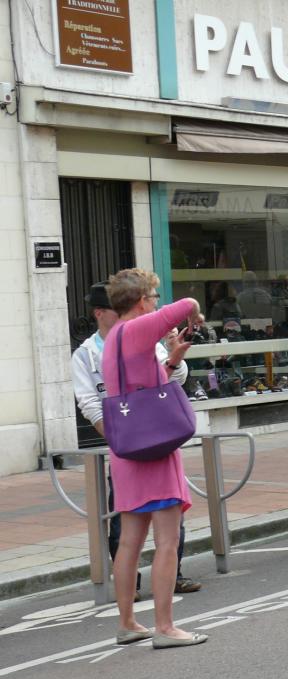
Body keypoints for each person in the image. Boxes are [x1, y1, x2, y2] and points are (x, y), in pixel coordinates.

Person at [72, 283, 202, 596]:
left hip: (145, 437)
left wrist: (173, 357)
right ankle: (154, 613)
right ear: (100, 313)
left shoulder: (130, 337)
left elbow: (171, 377)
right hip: (136, 440)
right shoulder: (94, 350)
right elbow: (89, 401)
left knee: (144, 528)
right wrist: (117, 434)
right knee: (139, 528)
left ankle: (136, 610)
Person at [100, 269, 207, 648]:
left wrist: (172, 360)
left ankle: (128, 621)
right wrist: (193, 311)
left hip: (127, 449)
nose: (157, 303)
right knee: (166, 539)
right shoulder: (139, 328)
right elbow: (186, 305)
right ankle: (165, 627)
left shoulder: (113, 339)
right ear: (142, 300)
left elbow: (140, 389)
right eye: (154, 296)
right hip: (155, 449)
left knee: (130, 540)